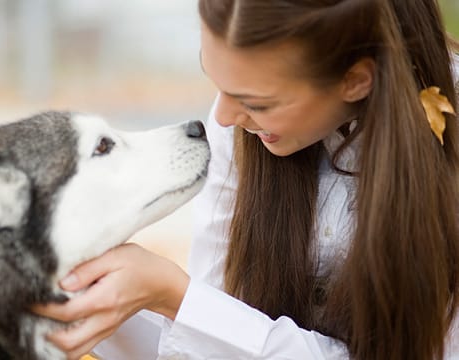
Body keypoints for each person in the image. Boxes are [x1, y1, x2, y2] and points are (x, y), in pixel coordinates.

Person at [33, 0, 459, 359]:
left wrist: (174, 297)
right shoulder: (240, 132)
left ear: (356, 80)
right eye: (216, 82)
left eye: (258, 102)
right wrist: (114, 300)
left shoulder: (446, 153)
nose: (221, 118)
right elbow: (215, 335)